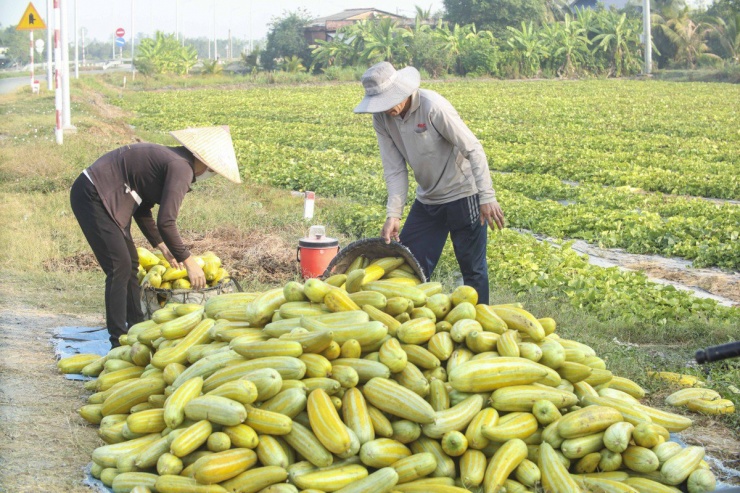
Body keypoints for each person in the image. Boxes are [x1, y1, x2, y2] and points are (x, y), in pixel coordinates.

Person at [69, 126, 241, 347]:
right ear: (204, 162)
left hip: (107, 195)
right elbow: (166, 221)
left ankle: (135, 330)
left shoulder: (174, 159)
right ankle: (118, 342)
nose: (212, 174)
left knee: (129, 264)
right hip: (94, 194)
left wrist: (162, 245)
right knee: (119, 267)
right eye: (214, 170)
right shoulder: (181, 167)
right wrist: (189, 261)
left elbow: (142, 209)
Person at [354, 62, 504, 304]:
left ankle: (480, 325)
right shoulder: (382, 119)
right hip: (428, 199)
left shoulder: (433, 106)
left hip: (463, 194)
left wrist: (486, 196)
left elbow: (473, 148)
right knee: (411, 265)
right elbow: (394, 169)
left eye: (388, 100)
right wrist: (393, 214)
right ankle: (412, 324)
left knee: (472, 269)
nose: (386, 108)